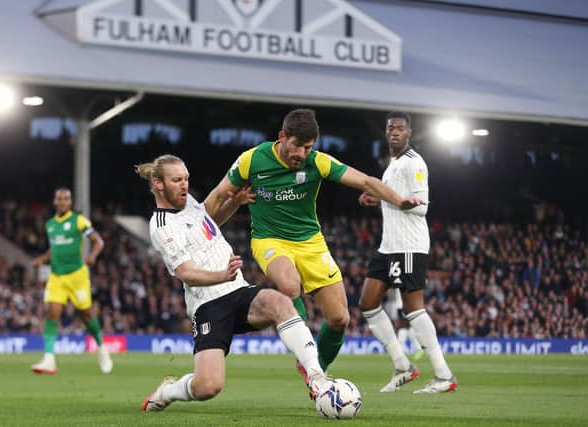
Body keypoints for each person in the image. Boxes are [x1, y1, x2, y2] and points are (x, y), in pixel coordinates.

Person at [205, 108, 423, 380]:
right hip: (270, 239)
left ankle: (317, 369)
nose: (302, 154)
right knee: (289, 285)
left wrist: (399, 200)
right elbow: (215, 198)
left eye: (308, 147)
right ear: (283, 137)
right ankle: (304, 349)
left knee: (339, 319)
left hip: (310, 242)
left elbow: (366, 181)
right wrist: (200, 229)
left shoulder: (317, 162)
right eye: (297, 146)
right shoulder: (252, 160)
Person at [136, 155, 331, 412]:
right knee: (208, 387)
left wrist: (234, 203)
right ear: (158, 184)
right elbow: (186, 273)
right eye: (176, 180)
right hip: (208, 306)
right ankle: (168, 391)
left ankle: (318, 378)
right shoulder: (161, 226)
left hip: (237, 290)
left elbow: (208, 226)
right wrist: (221, 275)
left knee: (279, 302)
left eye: (186, 179)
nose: (184, 185)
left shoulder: (190, 204)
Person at [358, 111, 457, 393]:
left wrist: (400, 202)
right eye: (391, 128)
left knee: (414, 309)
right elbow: (395, 199)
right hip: (388, 246)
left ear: (409, 132)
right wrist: (376, 198)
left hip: (409, 246)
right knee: (367, 303)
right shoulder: (393, 165)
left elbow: (422, 206)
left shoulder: (415, 164)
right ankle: (402, 366)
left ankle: (443, 376)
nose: (395, 132)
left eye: (400, 128)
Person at [30, 188, 112, 375]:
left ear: (70, 202)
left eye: (66, 199)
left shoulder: (79, 221)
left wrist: (92, 256)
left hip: (77, 276)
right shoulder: (50, 224)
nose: (62, 201)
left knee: (85, 315)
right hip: (56, 276)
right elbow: (55, 249)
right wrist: (42, 260)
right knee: (52, 313)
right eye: (59, 198)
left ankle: (101, 348)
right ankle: (49, 359)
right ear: (55, 202)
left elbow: (98, 241)